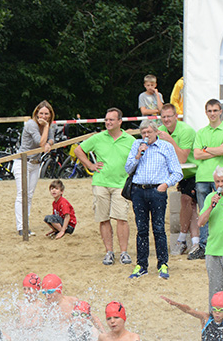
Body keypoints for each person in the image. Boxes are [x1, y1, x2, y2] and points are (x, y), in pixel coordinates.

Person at [74, 108, 135, 266]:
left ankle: (124, 252)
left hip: (121, 184)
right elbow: (78, 150)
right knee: (103, 219)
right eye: (106, 119)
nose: (108, 122)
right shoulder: (98, 138)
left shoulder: (130, 140)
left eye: (111, 120)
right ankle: (109, 252)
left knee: (122, 218)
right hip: (101, 183)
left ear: (119, 121)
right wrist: (90, 165)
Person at [124, 119, 182, 279]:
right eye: (143, 132)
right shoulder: (137, 145)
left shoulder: (166, 147)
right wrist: (138, 155)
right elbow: (128, 168)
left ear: (156, 132)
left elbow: (177, 172)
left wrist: (165, 184)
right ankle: (141, 265)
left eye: (149, 132)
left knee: (159, 228)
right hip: (138, 190)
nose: (146, 135)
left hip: (157, 191)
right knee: (141, 229)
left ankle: (162, 263)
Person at [158, 103, 200, 256]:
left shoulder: (186, 131)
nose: (166, 120)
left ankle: (183, 240)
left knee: (187, 201)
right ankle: (193, 242)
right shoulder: (160, 130)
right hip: (181, 174)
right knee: (189, 204)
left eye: (169, 116)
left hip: (195, 171)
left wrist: (170, 140)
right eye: (163, 117)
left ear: (176, 116)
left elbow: (182, 158)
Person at [16, 101, 57, 235]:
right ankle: (21, 227)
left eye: (46, 114)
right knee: (22, 194)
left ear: (50, 115)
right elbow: (40, 142)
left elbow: (51, 139)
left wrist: (49, 143)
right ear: (36, 113)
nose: (44, 116)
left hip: (35, 163)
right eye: (41, 113)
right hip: (23, 161)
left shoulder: (49, 126)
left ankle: (25, 224)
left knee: (29, 195)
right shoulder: (31, 124)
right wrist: (46, 128)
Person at [192, 99, 223, 261]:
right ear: (205, 113)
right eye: (209, 111)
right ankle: (204, 246)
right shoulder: (201, 132)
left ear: (220, 111)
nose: (212, 113)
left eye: (215, 110)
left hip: (220, 177)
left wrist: (205, 149)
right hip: (203, 176)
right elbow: (196, 154)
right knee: (204, 211)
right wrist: (216, 151)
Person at [198, 166, 223, 308]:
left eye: (222, 181)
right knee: (215, 291)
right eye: (217, 182)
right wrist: (211, 206)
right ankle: (214, 319)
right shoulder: (210, 198)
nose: (220, 185)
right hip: (214, 251)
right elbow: (201, 222)